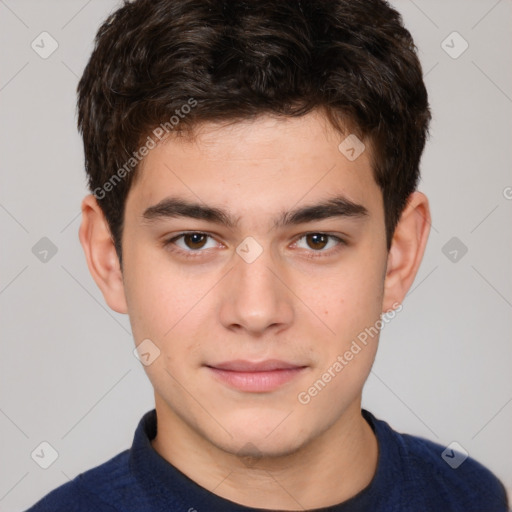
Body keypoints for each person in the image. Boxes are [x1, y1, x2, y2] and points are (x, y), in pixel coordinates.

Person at [26, 0, 509, 510]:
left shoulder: (476, 497)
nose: (256, 312)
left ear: (399, 256)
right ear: (109, 258)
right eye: (194, 240)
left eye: (316, 240)